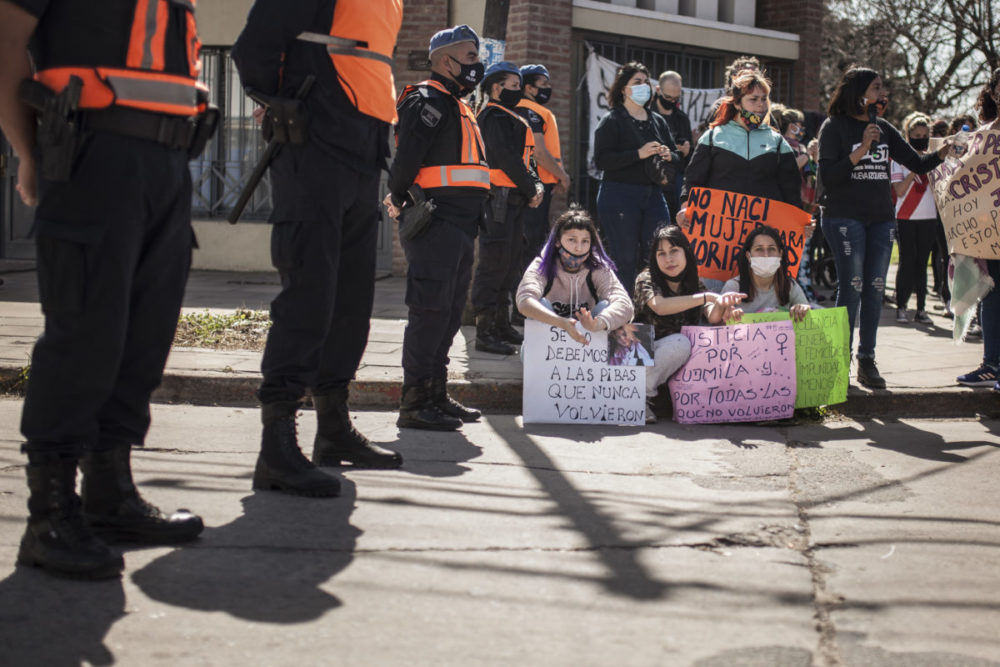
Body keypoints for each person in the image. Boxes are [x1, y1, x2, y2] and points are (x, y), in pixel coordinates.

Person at [0, 0, 215, 578]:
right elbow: (5, 43)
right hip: (92, 154)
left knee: (144, 337)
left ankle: (109, 494)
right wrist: (29, 154)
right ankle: (49, 516)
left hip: (167, 164)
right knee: (86, 334)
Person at [233, 0, 404, 498]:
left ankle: (332, 428)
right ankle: (277, 446)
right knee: (308, 297)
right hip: (312, 148)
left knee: (350, 304)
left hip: (362, 154)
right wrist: (280, 101)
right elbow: (252, 49)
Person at [818, 66, 949, 388]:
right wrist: (862, 149)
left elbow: (917, 165)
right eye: (876, 88)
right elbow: (828, 178)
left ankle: (867, 359)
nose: (882, 94)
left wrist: (944, 152)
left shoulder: (885, 128)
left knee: (876, 287)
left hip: (880, 218)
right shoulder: (833, 127)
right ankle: (839, 360)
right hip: (844, 216)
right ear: (859, 92)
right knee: (853, 284)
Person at [385, 25, 488, 431]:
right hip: (436, 221)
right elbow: (407, 158)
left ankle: (436, 394)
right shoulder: (426, 100)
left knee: (447, 316)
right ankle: (414, 403)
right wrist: (397, 197)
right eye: (470, 57)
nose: (476, 65)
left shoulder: (458, 104)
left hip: (461, 224)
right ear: (446, 60)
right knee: (429, 312)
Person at [678, 71, 801, 288]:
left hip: (762, 239)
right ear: (736, 102)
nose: (760, 105)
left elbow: (790, 191)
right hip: (718, 242)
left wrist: (799, 223)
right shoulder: (713, 136)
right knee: (715, 301)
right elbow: (693, 180)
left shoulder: (778, 142)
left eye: (763, 99)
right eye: (753, 99)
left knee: (758, 303)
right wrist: (686, 206)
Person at [471, 61, 543, 356]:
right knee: (493, 265)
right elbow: (505, 158)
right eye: (514, 85)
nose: (519, 90)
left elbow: (526, 160)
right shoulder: (491, 117)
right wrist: (531, 187)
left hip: (514, 201)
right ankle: (484, 331)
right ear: (497, 87)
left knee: (510, 263)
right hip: (497, 199)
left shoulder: (511, 116)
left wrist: (535, 185)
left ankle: (500, 324)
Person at [633, 226, 741, 423]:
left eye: (674, 251)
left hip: (672, 364)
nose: (669, 259)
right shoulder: (646, 278)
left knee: (701, 339)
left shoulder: (693, 283)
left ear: (686, 252)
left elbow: (712, 316)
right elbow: (660, 306)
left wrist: (722, 304)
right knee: (680, 343)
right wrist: (707, 296)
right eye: (661, 254)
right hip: (638, 356)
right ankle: (638, 397)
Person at [593, 61, 679, 293]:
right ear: (623, 88)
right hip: (619, 195)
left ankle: (651, 309)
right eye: (637, 82)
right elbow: (601, 160)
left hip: (653, 195)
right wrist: (637, 154)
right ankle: (622, 311)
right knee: (625, 257)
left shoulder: (657, 121)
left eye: (646, 82)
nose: (643, 87)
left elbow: (677, 156)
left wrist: (667, 154)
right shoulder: (612, 121)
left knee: (657, 252)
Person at [516, 206, 633, 346]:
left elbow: (625, 304)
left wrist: (598, 323)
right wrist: (561, 323)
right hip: (551, 340)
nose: (579, 248)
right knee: (541, 304)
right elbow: (524, 301)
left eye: (585, 241)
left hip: (588, 341)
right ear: (558, 241)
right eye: (572, 240)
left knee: (606, 305)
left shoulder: (598, 266)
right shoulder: (542, 264)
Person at [956, 68, 1000, 389]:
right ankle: (992, 365)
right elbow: (962, 181)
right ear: (993, 93)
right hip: (989, 229)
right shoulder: (981, 135)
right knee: (991, 295)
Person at [516, 63, 571, 262]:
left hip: (536, 184)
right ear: (529, 88)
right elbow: (539, 152)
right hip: (533, 186)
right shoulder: (530, 111)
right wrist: (562, 176)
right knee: (531, 242)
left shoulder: (530, 110)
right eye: (543, 83)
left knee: (534, 239)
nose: (548, 87)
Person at [891, 112, 938, 326]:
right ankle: (902, 306)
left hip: (929, 216)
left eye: (924, 134)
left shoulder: (934, 157)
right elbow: (899, 191)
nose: (920, 138)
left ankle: (921, 309)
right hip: (906, 217)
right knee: (907, 262)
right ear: (908, 135)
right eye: (916, 134)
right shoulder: (899, 159)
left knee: (922, 264)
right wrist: (915, 166)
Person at [724, 225, 811, 321]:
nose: (766, 255)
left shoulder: (789, 285)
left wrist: (802, 309)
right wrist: (729, 316)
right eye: (759, 249)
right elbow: (719, 324)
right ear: (748, 256)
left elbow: (808, 315)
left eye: (771, 249)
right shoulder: (733, 287)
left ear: (780, 254)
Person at [653, 71, 693, 216]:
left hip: (676, 180)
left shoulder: (682, 118)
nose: (671, 101)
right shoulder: (649, 115)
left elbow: (690, 161)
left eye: (675, 98)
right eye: (667, 97)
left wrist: (687, 151)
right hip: (655, 179)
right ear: (658, 90)